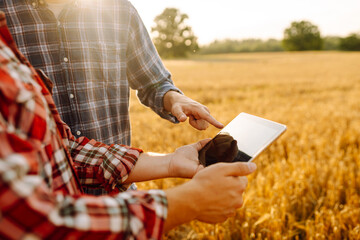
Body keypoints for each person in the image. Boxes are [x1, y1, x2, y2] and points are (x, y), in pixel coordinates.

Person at [0, 12, 256, 239]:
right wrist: (188, 202)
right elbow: (23, 219)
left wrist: (169, 161)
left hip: (119, 202)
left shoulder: (115, 9)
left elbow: (64, 148)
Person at [0, 0, 224, 147]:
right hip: (36, 202)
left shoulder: (118, 10)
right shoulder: (4, 14)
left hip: (116, 187)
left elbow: (153, 83)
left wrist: (174, 98)